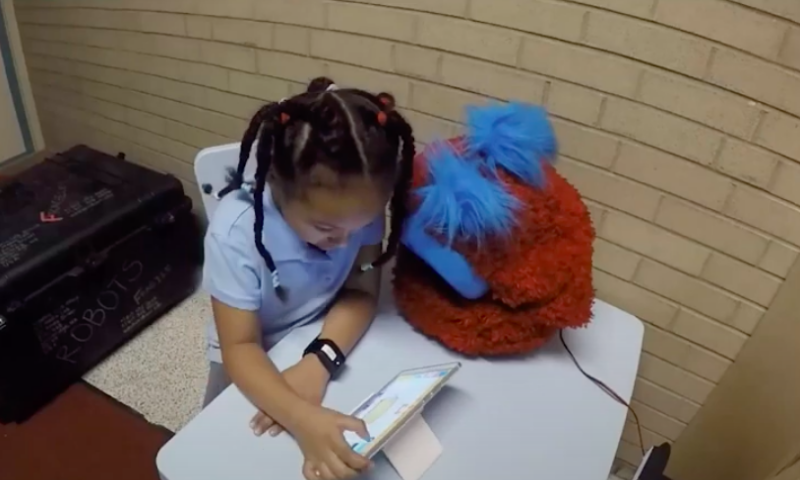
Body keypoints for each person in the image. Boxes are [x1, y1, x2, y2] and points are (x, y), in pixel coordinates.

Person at [201, 77, 415, 480]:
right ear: (279, 191)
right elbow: (240, 346)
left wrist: (321, 359)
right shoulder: (236, 234)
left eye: (364, 224)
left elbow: (361, 287)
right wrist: (303, 419)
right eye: (326, 229)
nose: (345, 242)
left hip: (322, 330)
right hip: (250, 350)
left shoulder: (352, 206)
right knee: (216, 451)